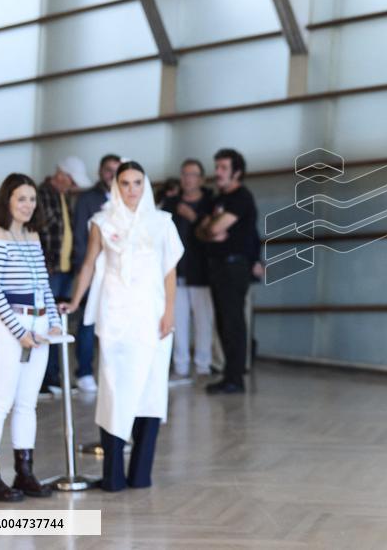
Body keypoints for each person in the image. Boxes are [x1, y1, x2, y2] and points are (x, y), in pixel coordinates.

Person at [62, 161, 183, 491]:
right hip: (116, 318)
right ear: (116, 186)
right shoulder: (101, 221)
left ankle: (141, 474)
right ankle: (112, 476)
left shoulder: (162, 223)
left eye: (137, 182)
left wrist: (169, 312)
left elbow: (169, 272)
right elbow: (89, 264)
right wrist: (75, 301)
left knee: (151, 390)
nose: (132, 189)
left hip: (153, 317)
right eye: (125, 183)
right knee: (114, 390)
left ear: (146, 185)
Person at [0, 173, 64, 501]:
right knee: (0, 401)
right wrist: (19, 331)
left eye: (32, 199)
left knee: (27, 403)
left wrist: (54, 323)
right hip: (7, 324)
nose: (28, 205)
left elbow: (44, 285)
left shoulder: (32, 235)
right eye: (21, 199)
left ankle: (24, 473)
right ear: (7, 201)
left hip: (38, 325)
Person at [197, 148, 257, 395]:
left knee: (233, 322)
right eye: (217, 167)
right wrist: (211, 230)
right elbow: (202, 230)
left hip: (234, 266)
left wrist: (211, 229)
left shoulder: (241, 197)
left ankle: (235, 378)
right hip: (218, 266)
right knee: (222, 321)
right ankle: (229, 375)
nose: (218, 172)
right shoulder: (217, 199)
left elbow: (212, 228)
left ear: (237, 172)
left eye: (223, 168)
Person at [38, 155, 92, 395]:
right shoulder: (42, 194)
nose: (73, 186)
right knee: (48, 323)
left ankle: (55, 376)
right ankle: (47, 377)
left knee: (58, 324)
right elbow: (40, 229)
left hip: (65, 270)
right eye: (72, 181)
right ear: (62, 175)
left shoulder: (64, 196)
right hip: (51, 270)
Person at [70, 153, 121, 393]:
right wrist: (85, 270)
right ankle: (84, 371)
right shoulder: (87, 199)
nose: (112, 175)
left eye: (116, 170)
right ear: (100, 171)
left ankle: (110, 371)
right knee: (88, 322)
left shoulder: (123, 198)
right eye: (108, 170)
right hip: (93, 269)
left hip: (117, 273)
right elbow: (80, 236)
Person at [161, 159, 215, 380]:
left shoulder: (210, 203)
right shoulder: (170, 203)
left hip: (203, 272)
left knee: (204, 323)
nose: (187, 178)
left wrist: (194, 218)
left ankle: (203, 366)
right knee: (178, 322)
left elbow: (213, 232)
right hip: (176, 272)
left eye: (192, 174)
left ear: (201, 179)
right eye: (184, 174)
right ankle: (181, 365)